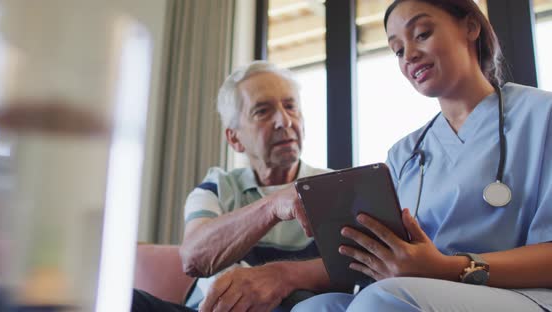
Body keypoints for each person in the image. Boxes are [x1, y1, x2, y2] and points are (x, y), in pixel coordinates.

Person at [291, 0, 552, 311]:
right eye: (398, 50)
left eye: (422, 33)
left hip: (529, 295)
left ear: (471, 26)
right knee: (314, 308)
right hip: (421, 292)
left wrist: (444, 267)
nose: (409, 55)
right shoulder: (404, 154)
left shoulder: (541, 116)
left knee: (381, 301)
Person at [132, 61, 332, 312]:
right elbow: (194, 257)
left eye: (291, 107)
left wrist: (283, 275)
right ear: (234, 138)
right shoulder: (216, 187)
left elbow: (363, 267)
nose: (285, 121)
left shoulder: (332, 185)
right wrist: (272, 206)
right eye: (262, 111)